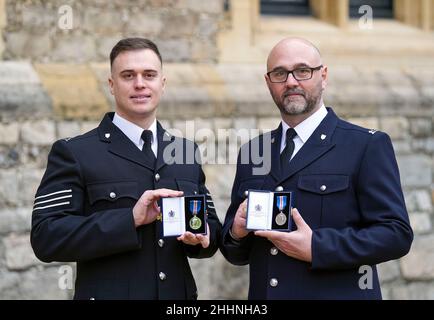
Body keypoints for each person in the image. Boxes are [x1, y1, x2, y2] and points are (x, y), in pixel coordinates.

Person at [220, 37, 413, 299]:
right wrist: (236, 232)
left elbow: (395, 234)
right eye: (279, 73)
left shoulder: (365, 145)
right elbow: (236, 253)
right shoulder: (254, 152)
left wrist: (317, 247)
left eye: (302, 70)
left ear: (323, 75)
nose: (290, 81)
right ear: (268, 83)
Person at [31, 38, 221, 300]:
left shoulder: (185, 152)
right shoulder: (76, 153)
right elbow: (46, 237)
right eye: (128, 75)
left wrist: (202, 237)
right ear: (112, 84)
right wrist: (128, 220)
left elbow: (211, 229)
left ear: (162, 84)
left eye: (149, 75)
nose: (140, 83)